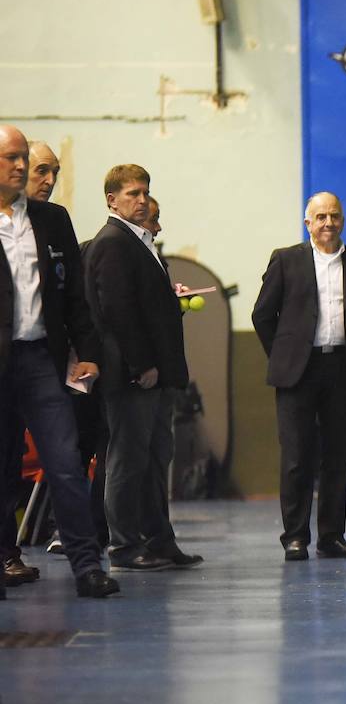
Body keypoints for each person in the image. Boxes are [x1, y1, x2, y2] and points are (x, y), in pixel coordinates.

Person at [0, 124, 119, 598]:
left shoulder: (53, 220)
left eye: (24, 160)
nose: (22, 167)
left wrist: (87, 353)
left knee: (66, 462)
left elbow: (74, 298)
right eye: (12, 158)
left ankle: (87, 566)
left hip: (39, 361)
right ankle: (6, 558)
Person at [84, 165, 202, 571]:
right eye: (132, 193)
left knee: (154, 459)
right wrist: (142, 365)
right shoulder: (114, 242)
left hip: (154, 374)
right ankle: (123, 547)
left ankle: (159, 540)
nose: (142, 200)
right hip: (134, 375)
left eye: (145, 192)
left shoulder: (140, 242)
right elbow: (117, 312)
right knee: (128, 459)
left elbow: (142, 302)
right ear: (111, 200)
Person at [252, 192, 346, 561]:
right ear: (308, 223)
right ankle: (294, 537)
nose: (328, 223)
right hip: (298, 373)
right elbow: (262, 315)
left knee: (338, 458)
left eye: (335, 216)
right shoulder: (286, 260)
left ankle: (331, 537)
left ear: (343, 221)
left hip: (341, 369)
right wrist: (284, 355)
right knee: (296, 456)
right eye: (320, 217)